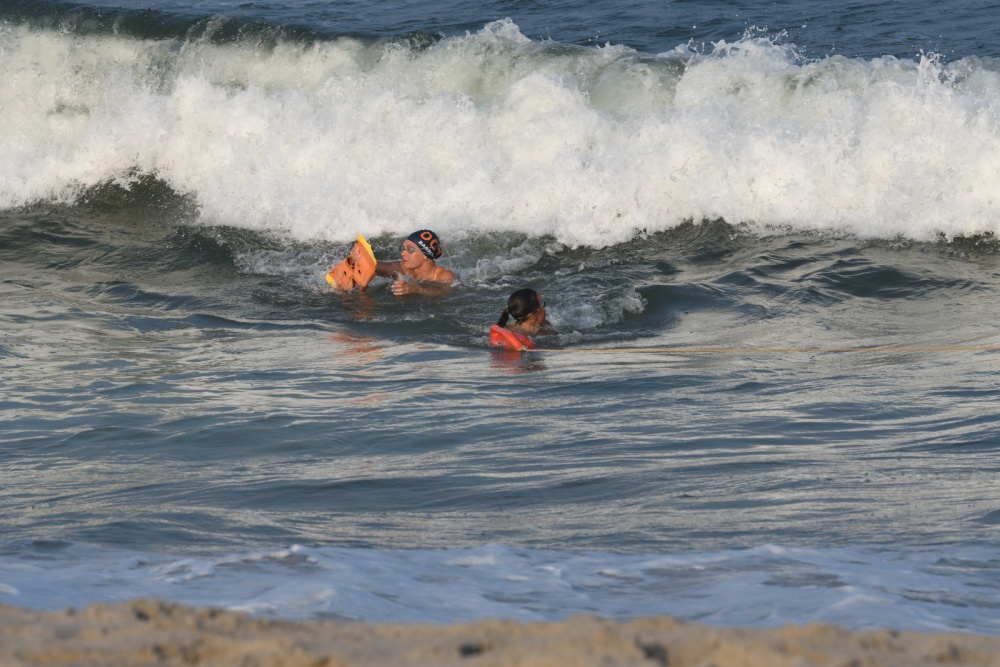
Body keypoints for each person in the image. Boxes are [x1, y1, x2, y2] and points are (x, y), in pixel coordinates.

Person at [372, 230, 456, 296]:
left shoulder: (443, 275)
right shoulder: (403, 268)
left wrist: (415, 290)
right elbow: (374, 266)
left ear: (425, 255)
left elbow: (443, 293)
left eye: (410, 249)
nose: (402, 253)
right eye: (404, 248)